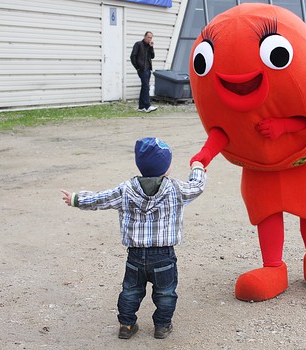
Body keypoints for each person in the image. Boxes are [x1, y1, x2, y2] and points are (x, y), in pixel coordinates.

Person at [61, 137, 206, 340]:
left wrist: (77, 199)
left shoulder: (126, 189)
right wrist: (198, 167)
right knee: (165, 293)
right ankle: (162, 326)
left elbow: (102, 198)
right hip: (164, 255)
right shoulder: (176, 189)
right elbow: (197, 186)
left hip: (135, 255)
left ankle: (126, 325)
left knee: (130, 291)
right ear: (166, 168)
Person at [130, 31, 158, 113]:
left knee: (144, 87)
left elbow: (152, 57)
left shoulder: (149, 46)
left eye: (151, 37)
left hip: (148, 69)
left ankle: (141, 107)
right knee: (146, 87)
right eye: (149, 37)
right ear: (144, 36)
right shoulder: (138, 44)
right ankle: (147, 106)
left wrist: (151, 47)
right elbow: (132, 56)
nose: (150, 39)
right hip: (142, 69)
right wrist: (137, 68)